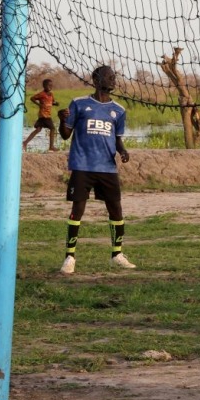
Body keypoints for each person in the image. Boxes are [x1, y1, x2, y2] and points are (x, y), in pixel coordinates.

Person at [59, 66, 133, 274]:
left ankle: (117, 254)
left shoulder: (118, 110)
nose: (112, 80)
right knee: (78, 210)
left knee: (116, 209)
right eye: (108, 76)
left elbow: (117, 138)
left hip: (107, 168)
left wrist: (123, 151)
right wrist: (61, 120)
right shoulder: (79, 103)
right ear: (95, 79)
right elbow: (66, 134)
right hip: (83, 166)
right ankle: (69, 257)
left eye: (114, 77)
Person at [23, 78, 58, 152]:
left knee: (38, 129)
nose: (50, 87)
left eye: (51, 85)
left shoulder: (51, 94)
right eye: (48, 85)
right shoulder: (42, 94)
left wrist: (55, 104)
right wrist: (39, 104)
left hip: (47, 114)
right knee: (52, 128)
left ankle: (25, 142)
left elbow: (52, 102)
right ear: (44, 86)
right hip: (44, 115)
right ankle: (51, 146)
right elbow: (32, 98)